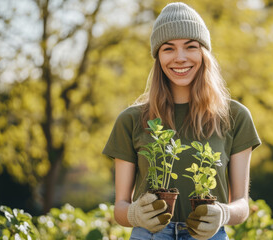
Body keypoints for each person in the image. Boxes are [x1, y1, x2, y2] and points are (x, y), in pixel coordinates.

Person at [103, 2, 261, 239]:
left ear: (204, 53)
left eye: (190, 47)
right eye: (168, 49)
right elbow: (120, 208)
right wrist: (135, 214)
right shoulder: (132, 120)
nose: (180, 58)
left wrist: (223, 213)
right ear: (158, 57)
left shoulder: (235, 117)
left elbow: (241, 204)